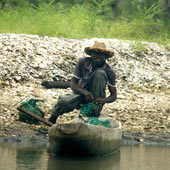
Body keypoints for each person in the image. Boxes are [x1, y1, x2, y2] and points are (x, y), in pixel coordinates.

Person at [48, 41, 117, 124]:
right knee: (63, 101)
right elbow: (73, 83)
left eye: (101, 54)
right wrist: (84, 92)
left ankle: (93, 111)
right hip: (81, 94)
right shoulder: (83, 62)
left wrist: (104, 100)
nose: (98, 57)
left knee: (100, 73)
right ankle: (53, 118)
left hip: (95, 100)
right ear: (91, 54)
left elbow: (114, 95)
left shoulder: (109, 71)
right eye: (95, 54)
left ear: (105, 57)